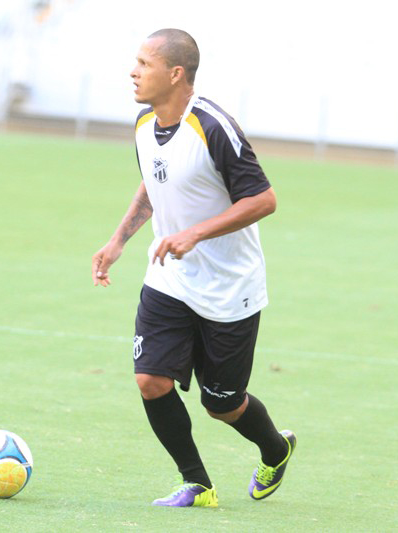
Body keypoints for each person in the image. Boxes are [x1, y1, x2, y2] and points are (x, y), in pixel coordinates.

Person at [91, 28, 295, 508]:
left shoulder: (213, 125)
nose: (133, 71)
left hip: (230, 287)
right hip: (169, 276)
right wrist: (119, 239)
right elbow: (154, 182)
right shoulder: (144, 124)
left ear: (175, 73)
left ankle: (275, 448)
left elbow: (264, 199)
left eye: (144, 63)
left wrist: (194, 233)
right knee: (150, 379)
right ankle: (198, 484)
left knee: (222, 404)